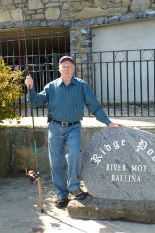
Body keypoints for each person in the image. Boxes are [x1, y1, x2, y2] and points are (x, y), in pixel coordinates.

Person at [25, 55, 122, 208]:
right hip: (55, 127)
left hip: (73, 127)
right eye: (63, 66)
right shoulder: (51, 86)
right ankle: (61, 194)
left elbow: (94, 106)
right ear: (59, 69)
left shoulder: (82, 86)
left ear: (73, 68)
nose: (66, 68)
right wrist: (30, 88)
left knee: (75, 154)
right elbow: (36, 101)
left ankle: (74, 187)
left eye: (69, 66)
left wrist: (108, 122)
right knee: (56, 162)